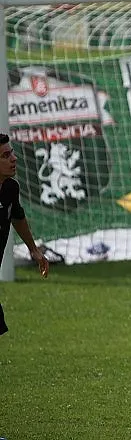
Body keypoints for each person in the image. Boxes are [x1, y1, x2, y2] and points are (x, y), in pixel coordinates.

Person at [0, 134, 51, 336]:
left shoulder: (10, 188)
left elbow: (17, 216)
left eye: (11, 153)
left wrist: (33, 250)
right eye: (5, 156)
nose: (14, 158)